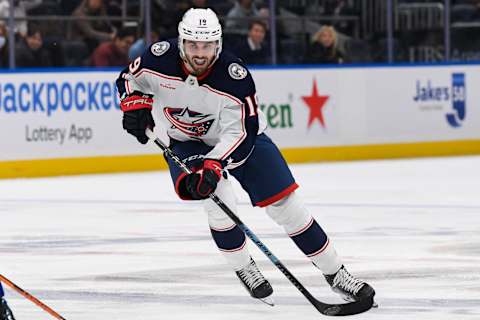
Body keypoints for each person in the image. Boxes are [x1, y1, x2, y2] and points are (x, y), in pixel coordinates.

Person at [115, 8, 375, 305]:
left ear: (219, 44)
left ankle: (336, 273)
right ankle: (244, 267)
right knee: (219, 199)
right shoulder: (156, 58)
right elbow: (128, 79)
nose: (200, 54)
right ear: (181, 42)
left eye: (208, 46)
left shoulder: (233, 76)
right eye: (193, 45)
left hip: (240, 141)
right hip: (187, 143)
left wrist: (215, 163)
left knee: (288, 207)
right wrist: (135, 106)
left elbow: (242, 131)